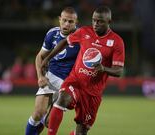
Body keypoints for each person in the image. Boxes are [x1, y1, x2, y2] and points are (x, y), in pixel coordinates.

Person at [41, 6, 125, 135]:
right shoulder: (84, 32)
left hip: (92, 92)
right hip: (75, 81)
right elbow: (65, 42)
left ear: (109, 22)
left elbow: (118, 71)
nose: (96, 24)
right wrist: (48, 58)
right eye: (94, 20)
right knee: (62, 99)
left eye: (100, 21)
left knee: (81, 131)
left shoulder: (116, 42)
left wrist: (103, 68)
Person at [25, 7, 80, 135]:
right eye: (64, 20)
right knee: (38, 113)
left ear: (76, 22)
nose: (66, 24)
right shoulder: (52, 34)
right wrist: (40, 76)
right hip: (51, 77)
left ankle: (43, 123)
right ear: (59, 20)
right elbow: (40, 56)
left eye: (71, 22)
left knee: (49, 122)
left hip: (67, 83)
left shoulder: (81, 38)